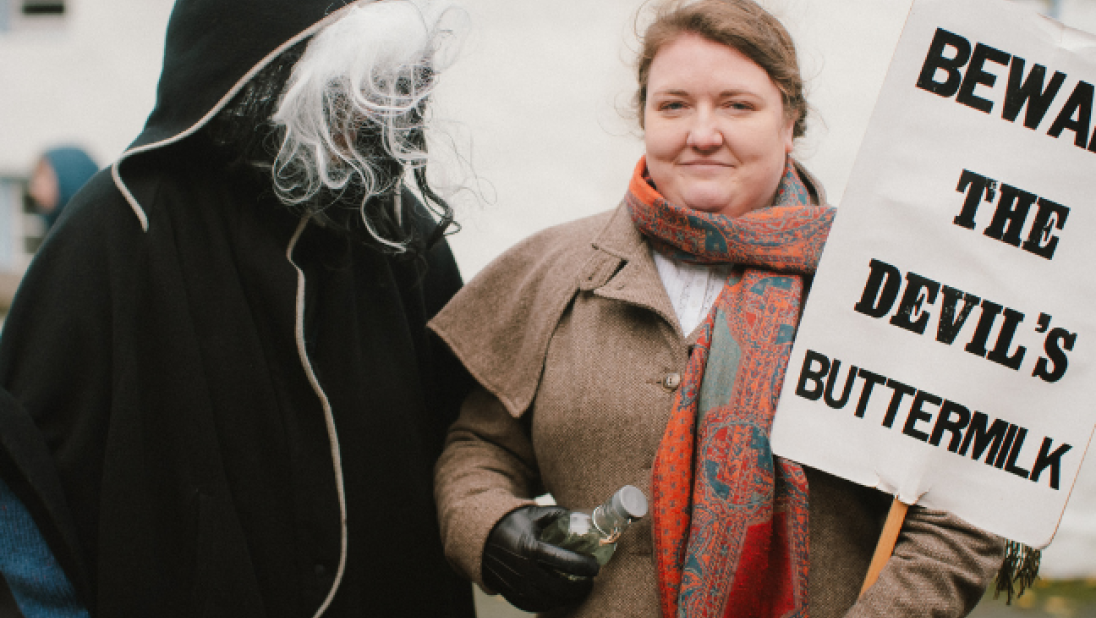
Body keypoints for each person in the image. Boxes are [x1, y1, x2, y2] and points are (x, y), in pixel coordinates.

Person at [430, 0, 1006, 616]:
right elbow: (480, 446)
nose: (703, 133)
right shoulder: (558, 270)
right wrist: (493, 530)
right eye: (674, 105)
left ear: (789, 122)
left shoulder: (879, 291)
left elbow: (962, 514)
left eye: (738, 105)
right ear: (644, 116)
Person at [0, 1, 477, 617]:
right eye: (345, 90)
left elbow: (471, 440)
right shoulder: (119, 230)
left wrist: (495, 524)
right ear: (264, 79)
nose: (364, 118)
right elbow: (25, 491)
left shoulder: (393, 235)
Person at [26, 146, 99, 233]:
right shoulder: (54, 236)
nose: (33, 190)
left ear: (70, 178)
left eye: (44, 175)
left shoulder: (99, 240)